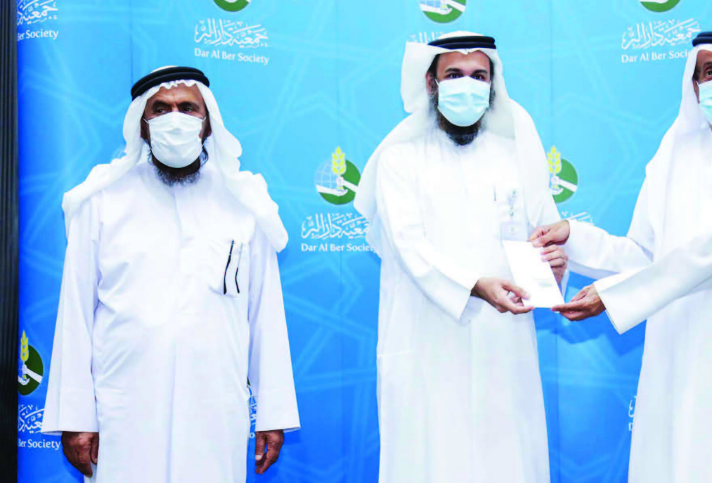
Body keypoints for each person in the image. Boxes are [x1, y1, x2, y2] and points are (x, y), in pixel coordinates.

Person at [532, 29, 712, 483]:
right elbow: (644, 256)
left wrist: (617, 297)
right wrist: (574, 238)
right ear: (695, 85)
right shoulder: (672, 157)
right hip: (678, 366)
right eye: (710, 71)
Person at [41, 66, 300, 482]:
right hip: (125, 410)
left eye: (187, 108)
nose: (175, 119)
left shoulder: (244, 203)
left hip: (214, 408)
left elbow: (265, 316)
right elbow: (75, 316)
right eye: (160, 109)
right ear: (142, 125)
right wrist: (75, 418)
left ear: (208, 122)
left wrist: (274, 413)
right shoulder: (102, 200)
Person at [355, 32, 567, 483]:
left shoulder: (518, 158)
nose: (467, 85)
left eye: (478, 76)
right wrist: (475, 285)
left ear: (492, 85)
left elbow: (545, 240)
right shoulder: (399, 161)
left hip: (502, 348)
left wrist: (554, 269)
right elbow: (409, 246)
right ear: (431, 84)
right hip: (426, 346)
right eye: (454, 74)